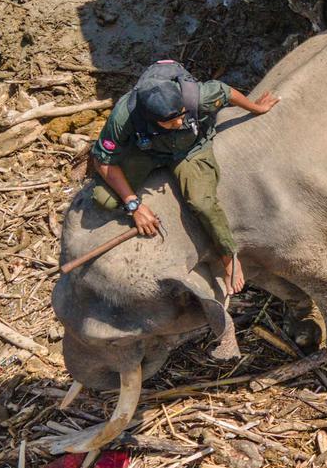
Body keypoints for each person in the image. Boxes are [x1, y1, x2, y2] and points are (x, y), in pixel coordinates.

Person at [89, 60, 279, 294]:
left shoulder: (195, 96)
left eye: (181, 116)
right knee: (103, 198)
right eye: (170, 121)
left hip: (190, 148)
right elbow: (103, 159)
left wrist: (256, 108)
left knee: (202, 203)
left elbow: (226, 92)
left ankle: (229, 258)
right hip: (148, 151)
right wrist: (134, 204)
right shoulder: (124, 115)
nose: (179, 122)